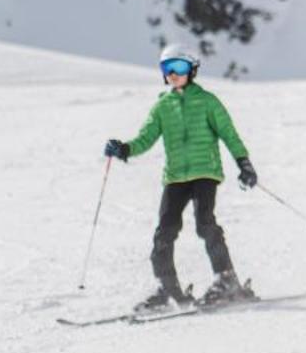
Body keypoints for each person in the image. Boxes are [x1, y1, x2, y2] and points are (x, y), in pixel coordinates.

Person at [103, 44, 257, 311]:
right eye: (167, 69)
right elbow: (146, 138)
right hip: (175, 177)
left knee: (205, 224)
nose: (173, 74)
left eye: (179, 68)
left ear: (192, 70)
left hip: (204, 173)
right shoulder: (162, 106)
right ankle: (168, 288)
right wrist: (125, 148)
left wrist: (244, 164)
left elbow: (229, 135)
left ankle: (227, 279)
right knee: (165, 231)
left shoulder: (208, 101)